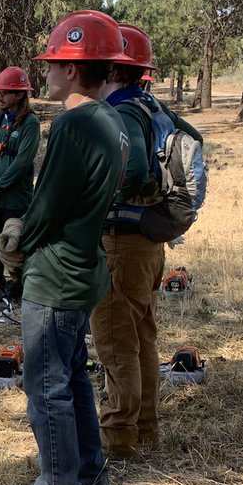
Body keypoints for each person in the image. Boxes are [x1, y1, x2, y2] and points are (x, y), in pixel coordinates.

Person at [0, 11, 130, 485]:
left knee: (46, 383)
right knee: (73, 376)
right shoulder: (112, 121)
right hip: (84, 268)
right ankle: (92, 477)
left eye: (52, 63)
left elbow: (48, 201)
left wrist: (17, 238)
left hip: (55, 273)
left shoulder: (74, 122)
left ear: (73, 69)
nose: (45, 73)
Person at [91, 23, 202, 458]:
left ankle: (118, 439)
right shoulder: (154, 107)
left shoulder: (121, 111)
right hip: (148, 243)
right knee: (140, 339)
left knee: (115, 342)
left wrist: (97, 191)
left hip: (122, 242)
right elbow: (194, 140)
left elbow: (134, 171)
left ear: (114, 68)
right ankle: (146, 428)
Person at [0, 67, 40, 304]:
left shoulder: (30, 124)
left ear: (20, 95)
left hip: (15, 198)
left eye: (5, 92)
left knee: (14, 243)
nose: (0, 96)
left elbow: (23, 162)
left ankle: (18, 286)